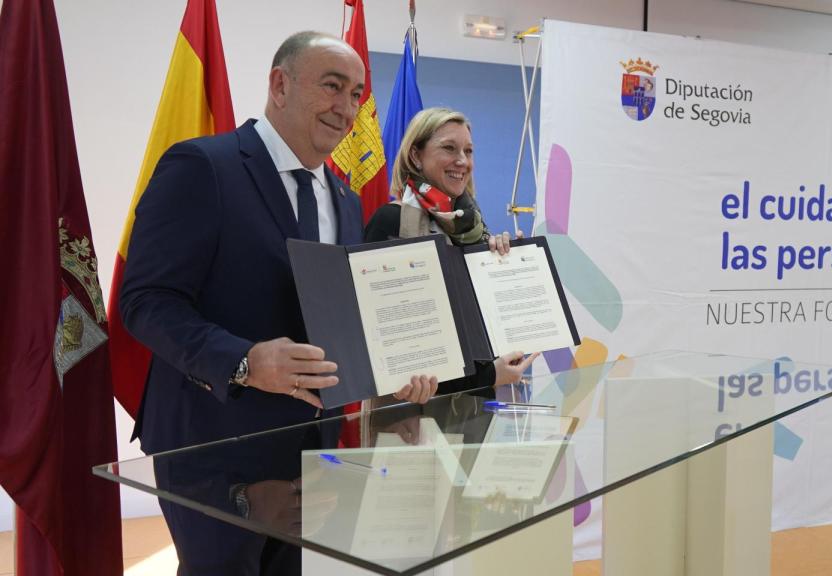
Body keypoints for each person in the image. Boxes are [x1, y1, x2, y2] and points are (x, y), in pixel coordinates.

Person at [119, 31, 434, 575]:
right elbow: (146, 301)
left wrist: (393, 366)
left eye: (357, 94)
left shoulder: (344, 197)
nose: (347, 107)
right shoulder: (202, 166)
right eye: (332, 86)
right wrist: (243, 360)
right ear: (279, 84)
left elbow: (337, 316)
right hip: (213, 450)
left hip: (311, 451)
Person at [365, 107, 538, 395]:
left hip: (477, 404)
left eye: (468, 151)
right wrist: (486, 376)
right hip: (412, 410)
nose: (462, 161)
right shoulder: (391, 221)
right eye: (449, 148)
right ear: (415, 156)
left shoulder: (473, 230)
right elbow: (382, 345)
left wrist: (510, 267)